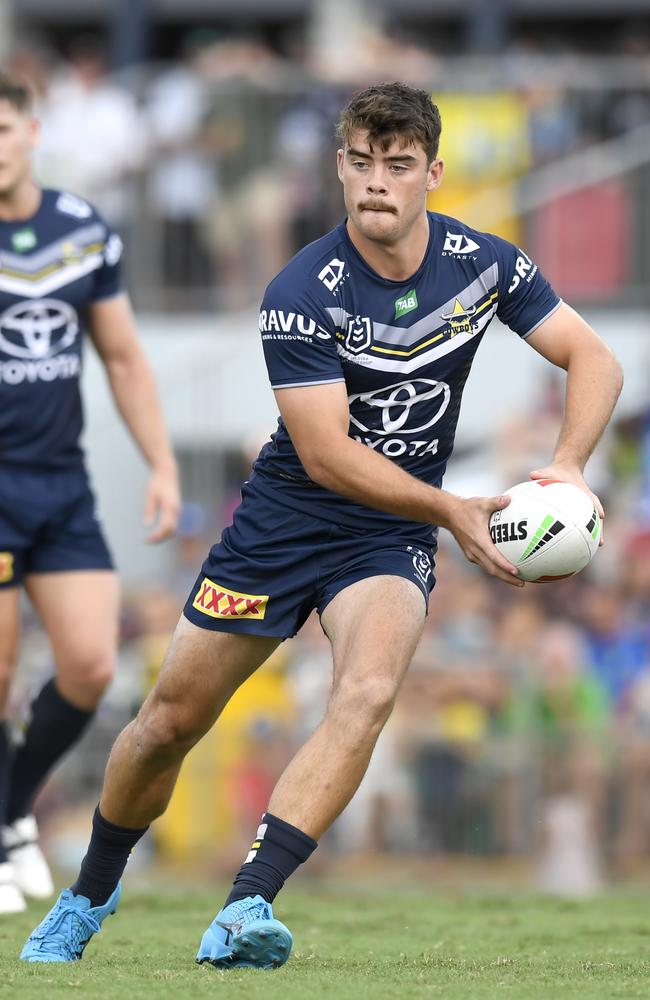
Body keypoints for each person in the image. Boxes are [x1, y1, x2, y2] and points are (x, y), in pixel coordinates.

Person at [21, 82, 622, 967]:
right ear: (341, 167)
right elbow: (328, 452)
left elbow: (594, 357)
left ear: (433, 174)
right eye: (362, 162)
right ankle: (88, 894)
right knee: (166, 724)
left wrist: (567, 463)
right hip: (285, 521)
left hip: (386, 537)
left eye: (400, 165)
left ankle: (244, 908)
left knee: (369, 693)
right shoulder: (301, 289)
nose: (378, 181)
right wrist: (453, 509)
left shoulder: (486, 263)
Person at [0, 73, 180, 914]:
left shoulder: (81, 231)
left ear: (32, 130)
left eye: (3, 128)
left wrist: (162, 462)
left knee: (90, 665)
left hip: (61, 483)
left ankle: (8, 814)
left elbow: (121, 357)